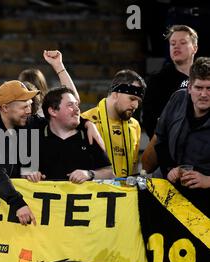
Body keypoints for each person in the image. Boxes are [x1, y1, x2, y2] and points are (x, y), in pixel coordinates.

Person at [0, 42, 103, 226]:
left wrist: (85, 124)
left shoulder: (27, 122)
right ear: (5, 108)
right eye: (24, 105)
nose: (29, 109)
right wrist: (18, 203)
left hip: (8, 209)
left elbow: (66, 110)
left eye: (30, 104)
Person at [155, 57, 210, 215]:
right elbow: (161, 141)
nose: (204, 94)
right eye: (199, 88)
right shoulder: (177, 99)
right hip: (173, 188)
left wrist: (207, 181)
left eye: (209, 88)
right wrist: (169, 169)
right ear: (189, 87)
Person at [24, 87, 114, 183]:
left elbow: (110, 173)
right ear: (53, 111)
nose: (77, 109)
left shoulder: (89, 136)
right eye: (70, 105)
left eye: (77, 105)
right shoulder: (35, 137)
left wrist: (90, 174)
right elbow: (24, 173)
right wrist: (31, 175)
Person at [141, 25, 198, 174]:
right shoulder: (157, 80)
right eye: (173, 44)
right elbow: (148, 118)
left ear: (195, 48)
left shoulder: (205, 78)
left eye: (183, 43)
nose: (176, 47)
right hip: (168, 150)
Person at [82, 70, 146, 178]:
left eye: (138, 101)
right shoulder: (86, 121)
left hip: (126, 193)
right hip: (94, 192)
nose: (135, 105)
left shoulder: (134, 126)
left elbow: (134, 167)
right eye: (132, 98)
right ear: (116, 94)